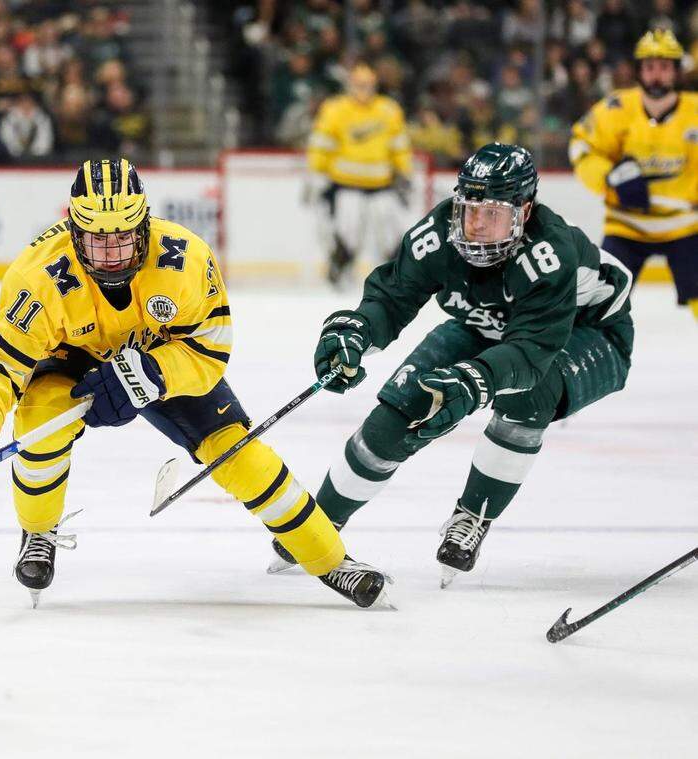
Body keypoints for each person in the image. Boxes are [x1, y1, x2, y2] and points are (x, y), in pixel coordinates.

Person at [0, 158, 390, 609]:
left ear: (145, 227)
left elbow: (211, 349)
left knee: (239, 453)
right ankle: (38, 530)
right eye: (96, 242)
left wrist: (147, 375)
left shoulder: (186, 259)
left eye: (123, 240)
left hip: (158, 356)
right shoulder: (37, 276)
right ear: (73, 233)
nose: (110, 257)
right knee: (38, 423)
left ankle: (330, 559)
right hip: (70, 357)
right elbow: (0, 361)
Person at [270, 144, 634, 588]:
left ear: (525, 210)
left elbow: (533, 349)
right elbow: (392, 295)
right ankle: (320, 525)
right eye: (469, 210)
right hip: (489, 325)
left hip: (588, 331)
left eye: (493, 214)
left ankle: (474, 514)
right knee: (400, 407)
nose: (476, 226)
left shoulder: (550, 252)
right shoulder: (438, 232)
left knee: (528, 393)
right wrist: (355, 332)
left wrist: (477, 379)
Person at [569, 28, 698, 321]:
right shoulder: (616, 108)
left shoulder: (695, 111)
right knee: (598, 302)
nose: (656, 75)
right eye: (650, 66)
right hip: (626, 226)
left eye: (664, 67)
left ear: (676, 72)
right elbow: (581, 147)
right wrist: (609, 176)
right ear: (639, 70)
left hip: (686, 227)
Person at [306, 63, 412, 286]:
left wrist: (404, 171)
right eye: (359, 85)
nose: (363, 89)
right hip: (346, 185)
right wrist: (316, 174)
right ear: (350, 85)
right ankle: (339, 274)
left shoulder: (389, 109)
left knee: (390, 233)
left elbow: (399, 145)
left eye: (367, 85)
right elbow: (321, 144)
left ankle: (396, 279)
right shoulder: (335, 109)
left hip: (382, 185)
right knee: (347, 233)